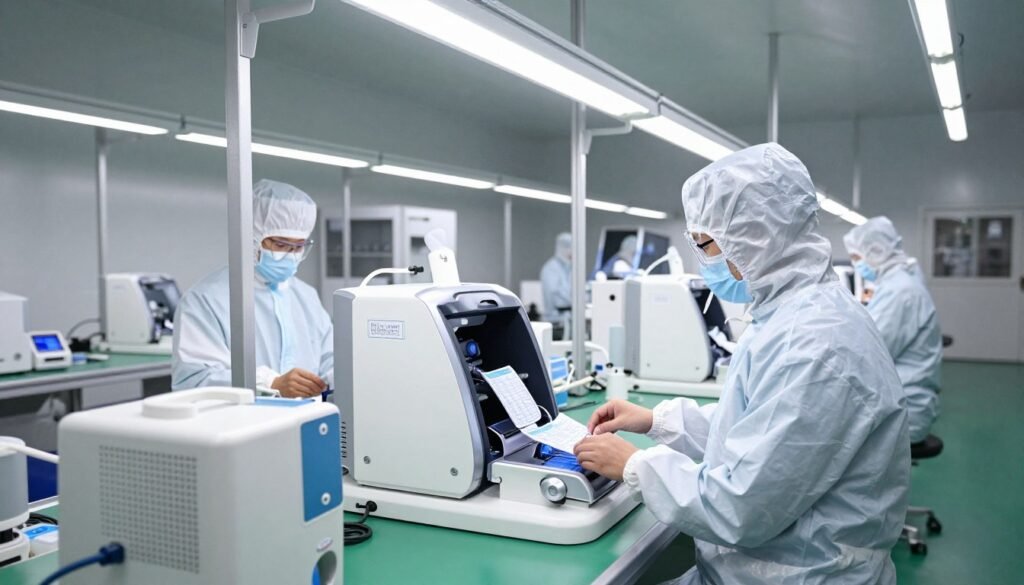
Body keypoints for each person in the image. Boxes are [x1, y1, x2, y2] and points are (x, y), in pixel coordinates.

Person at [573, 143, 909, 584]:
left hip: (800, 574)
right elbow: (755, 426)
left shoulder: (813, 344)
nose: (703, 260)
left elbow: (741, 505)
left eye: (706, 244)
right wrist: (658, 420)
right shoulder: (794, 315)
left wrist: (635, 466)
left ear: (758, 237)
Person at [172, 179, 333, 397]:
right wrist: (271, 384)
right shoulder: (205, 300)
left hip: (307, 421)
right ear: (252, 237)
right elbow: (194, 380)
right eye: (280, 244)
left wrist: (335, 376)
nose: (290, 255)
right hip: (241, 423)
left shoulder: (306, 296)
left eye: (299, 246)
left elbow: (329, 357)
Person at [844, 216, 942, 443]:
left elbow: (870, 352)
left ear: (876, 251)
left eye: (857, 258)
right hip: (903, 400)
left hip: (905, 409)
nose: (856, 265)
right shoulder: (898, 284)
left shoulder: (901, 292)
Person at [540, 232, 573, 323]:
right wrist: (574, 301)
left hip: (568, 318)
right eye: (568, 247)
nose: (571, 251)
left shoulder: (569, 268)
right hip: (555, 320)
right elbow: (556, 297)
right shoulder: (551, 268)